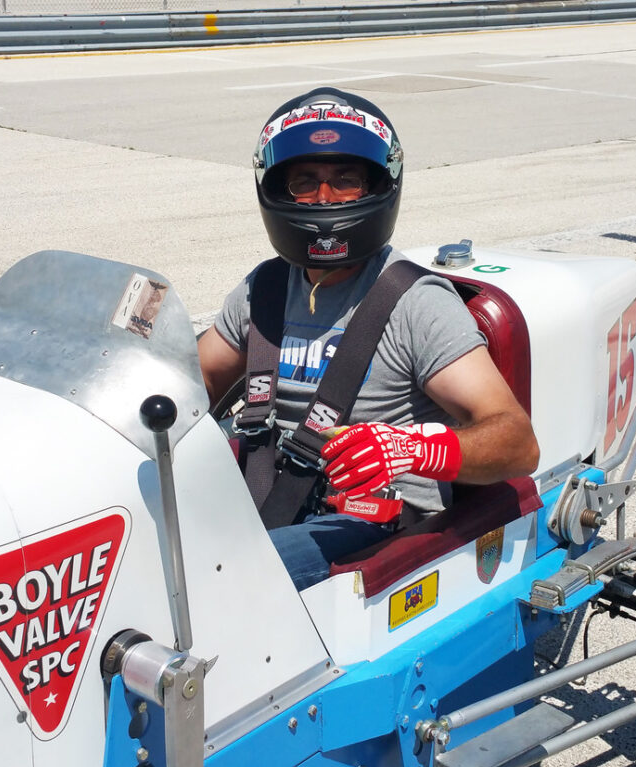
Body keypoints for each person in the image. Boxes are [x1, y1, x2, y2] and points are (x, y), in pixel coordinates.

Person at [198, 87, 539, 589]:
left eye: (346, 181)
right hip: (269, 503)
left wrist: (410, 449)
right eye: (304, 182)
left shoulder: (416, 302)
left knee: (226, 582)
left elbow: (517, 442)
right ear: (275, 189)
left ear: (380, 185)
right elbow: (189, 385)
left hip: (378, 522)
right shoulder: (264, 289)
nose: (324, 198)